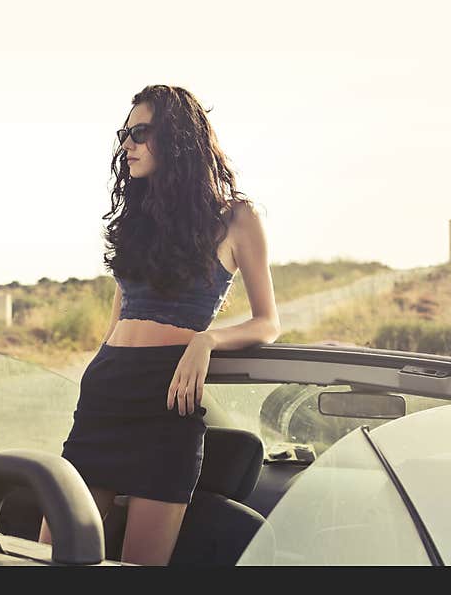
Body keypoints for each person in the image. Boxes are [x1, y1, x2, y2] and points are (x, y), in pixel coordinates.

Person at [37, 84, 281, 566]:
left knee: (138, 570)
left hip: (167, 402)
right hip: (105, 395)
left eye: (141, 133)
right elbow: (118, 321)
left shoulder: (236, 218)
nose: (127, 144)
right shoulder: (137, 220)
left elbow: (267, 321)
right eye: (125, 134)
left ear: (178, 139)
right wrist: (97, 370)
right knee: (50, 559)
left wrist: (207, 340)